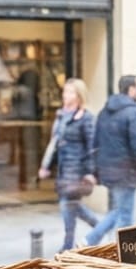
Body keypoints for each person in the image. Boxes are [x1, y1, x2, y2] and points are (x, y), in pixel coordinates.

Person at [84, 75, 136, 246]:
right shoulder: (132, 111)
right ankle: (120, 252)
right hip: (126, 171)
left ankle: (90, 240)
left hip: (108, 171)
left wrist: (98, 170)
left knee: (118, 210)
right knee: (125, 216)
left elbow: (96, 142)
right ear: (131, 89)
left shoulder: (104, 111)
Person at [40, 77, 99, 251]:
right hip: (63, 169)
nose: (66, 95)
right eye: (65, 91)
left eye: (70, 91)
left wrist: (90, 172)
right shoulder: (61, 115)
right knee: (73, 206)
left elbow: (92, 147)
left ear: (79, 94)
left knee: (67, 205)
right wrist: (46, 165)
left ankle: (67, 246)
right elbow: (54, 143)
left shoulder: (86, 118)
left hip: (78, 170)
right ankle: (100, 227)